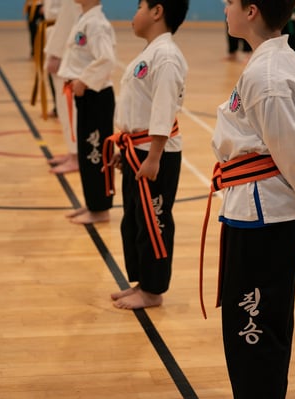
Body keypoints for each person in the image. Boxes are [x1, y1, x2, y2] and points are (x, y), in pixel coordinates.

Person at [200, 0, 295, 397]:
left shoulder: (269, 76)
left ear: (251, 11)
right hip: (265, 207)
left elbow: (292, 144)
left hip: (264, 212)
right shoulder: (281, 61)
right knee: (265, 318)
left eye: (230, 2)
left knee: (253, 321)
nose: (224, 8)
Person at [106, 0, 189, 310]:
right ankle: (143, 282)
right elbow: (137, 107)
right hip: (137, 150)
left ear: (157, 12)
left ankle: (153, 290)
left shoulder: (166, 56)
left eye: (139, 6)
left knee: (154, 222)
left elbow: (163, 109)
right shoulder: (152, 53)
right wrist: (124, 151)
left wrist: (153, 156)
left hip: (155, 155)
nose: (134, 14)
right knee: (136, 221)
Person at [57, 0, 116, 224]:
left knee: (96, 154)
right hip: (87, 95)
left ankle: (101, 209)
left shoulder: (97, 24)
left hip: (96, 95)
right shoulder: (85, 19)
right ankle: (92, 203)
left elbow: (107, 59)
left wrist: (84, 80)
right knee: (86, 153)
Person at [44, 0, 82, 173]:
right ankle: (72, 151)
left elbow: (70, 17)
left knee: (69, 105)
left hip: (67, 44)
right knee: (63, 106)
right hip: (57, 35)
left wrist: (57, 52)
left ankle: (76, 155)